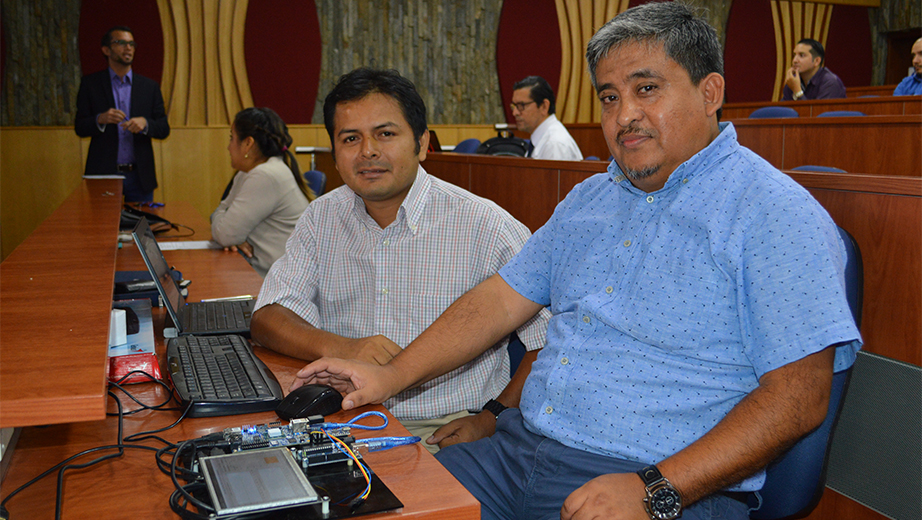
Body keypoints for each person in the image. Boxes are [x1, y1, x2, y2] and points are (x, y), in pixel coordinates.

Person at [291, 4, 862, 520]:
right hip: (516, 453)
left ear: (710, 92)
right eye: (610, 96)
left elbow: (798, 397)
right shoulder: (590, 199)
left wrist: (655, 488)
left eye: (647, 89)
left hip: (660, 484)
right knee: (357, 508)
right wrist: (390, 375)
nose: (624, 115)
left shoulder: (774, 212)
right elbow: (497, 301)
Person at [251, 68, 549, 454]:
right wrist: (344, 348)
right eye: (350, 138)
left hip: (442, 427)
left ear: (422, 143)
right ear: (335, 154)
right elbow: (268, 316)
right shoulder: (320, 217)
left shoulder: (486, 226)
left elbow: (548, 344)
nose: (368, 151)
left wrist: (493, 416)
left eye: (385, 134)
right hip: (339, 418)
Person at [211, 107, 313, 277]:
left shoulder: (265, 176)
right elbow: (221, 219)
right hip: (266, 273)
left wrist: (232, 234)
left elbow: (224, 233)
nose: (228, 147)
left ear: (248, 143)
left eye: (232, 138)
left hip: (280, 282)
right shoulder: (248, 172)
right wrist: (233, 235)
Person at [74, 26, 170, 202]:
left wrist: (146, 124)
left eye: (132, 44)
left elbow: (164, 128)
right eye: (121, 43)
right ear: (106, 50)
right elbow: (79, 127)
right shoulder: (91, 84)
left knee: (140, 228)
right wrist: (100, 119)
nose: (128, 48)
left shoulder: (149, 87)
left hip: (140, 176)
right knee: (102, 228)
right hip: (104, 174)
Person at [511, 76, 583, 161]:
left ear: (544, 106)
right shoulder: (543, 138)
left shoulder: (555, 144)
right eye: (514, 106)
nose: (515, 113)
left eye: (521, 106)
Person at [782, 38, 846, 100]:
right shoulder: (793, 81)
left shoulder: (830, 83)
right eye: (794, 55)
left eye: (801, 55)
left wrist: (797, 91)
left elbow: (817, 110)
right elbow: (783, 109)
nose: (794, 60)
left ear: (817, 61)